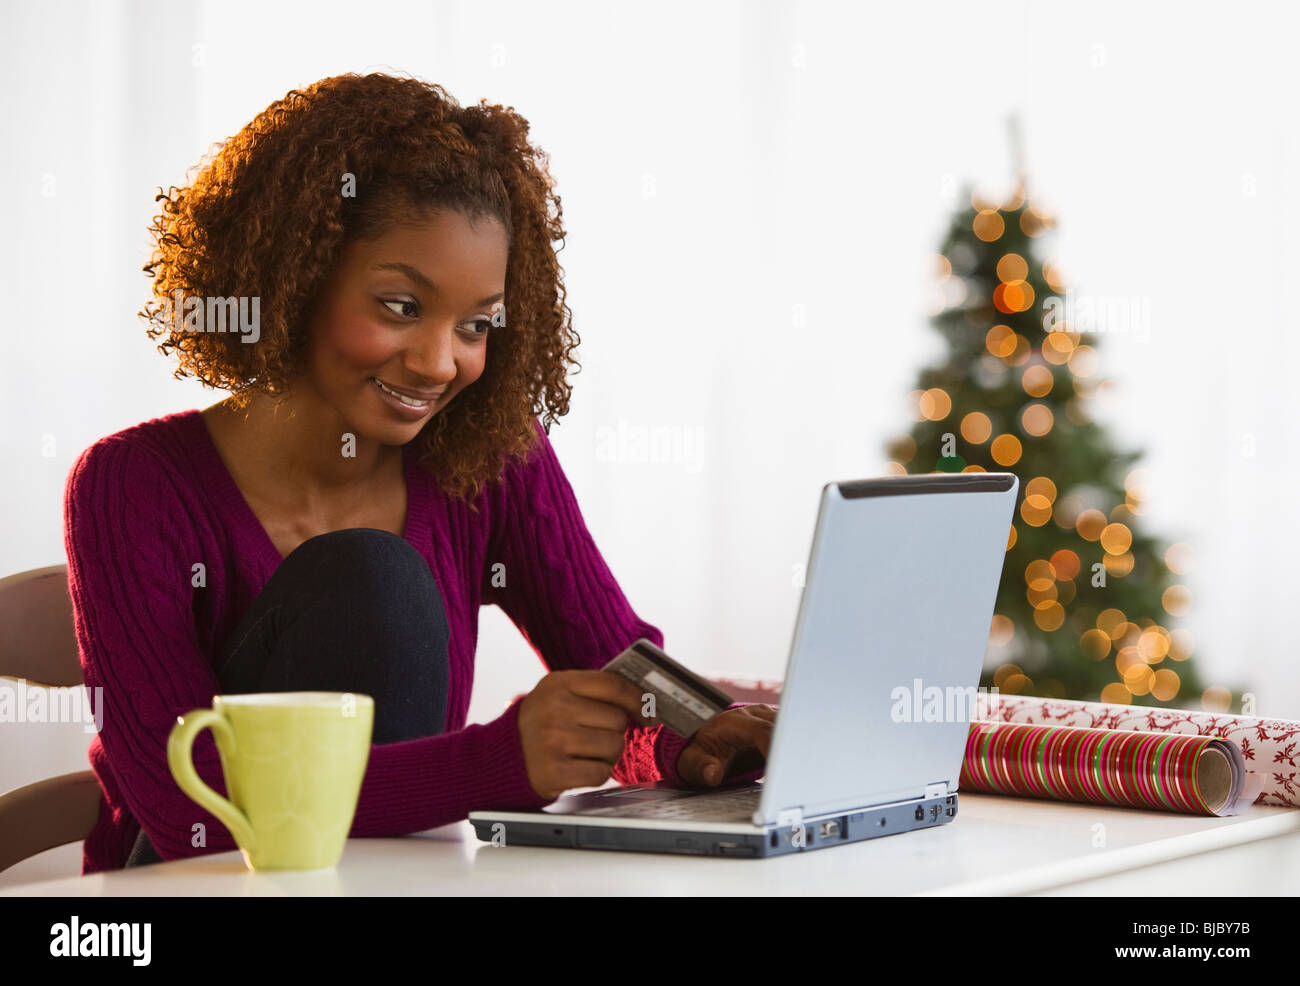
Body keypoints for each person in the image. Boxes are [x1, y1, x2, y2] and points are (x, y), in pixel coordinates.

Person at [62, 72, 774, 873]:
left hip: (394, 882)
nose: (442, 362)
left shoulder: (488, 459)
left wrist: (699, 736)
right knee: (372, 579)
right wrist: (496, 763)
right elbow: (185, 803)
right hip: (187, 888)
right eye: (401, 305)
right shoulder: (130, 486)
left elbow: (626, 684)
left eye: (476, 325)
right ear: (295, 277)